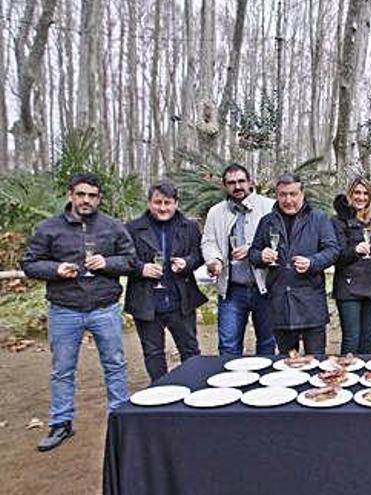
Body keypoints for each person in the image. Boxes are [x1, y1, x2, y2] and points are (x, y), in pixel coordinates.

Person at [21, 173, 136, 452]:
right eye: (81, 194)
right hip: (64, 309)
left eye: (92, 195)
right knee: (62, 370)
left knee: (115, 365)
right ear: (71, 194)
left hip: (104, 307)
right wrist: (56, 270)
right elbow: (29, 263)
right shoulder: (49, 228)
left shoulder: (112, 227)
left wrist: (107, 262)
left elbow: (131, 260)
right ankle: (61, 423)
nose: (86, 200)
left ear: (99, 198)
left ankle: (119, 419)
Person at [124, 182, 207, 383]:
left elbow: (199, 255)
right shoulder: (132, 228)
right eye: (157, 202)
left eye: (167, 203)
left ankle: (193, 387)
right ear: (149, 202)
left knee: (190, 349)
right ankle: (160, 391)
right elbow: (122, 259)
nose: (162, 208)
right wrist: (140, 268)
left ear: (176, 203)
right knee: (153, 352)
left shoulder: (190, 227)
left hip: (181, 300)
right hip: (146, 300)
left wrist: (187, 263)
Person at [249, 174, 340, 354]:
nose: (288, 200)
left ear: (302, 194)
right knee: (286, 365)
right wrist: (261, 256)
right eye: (282, 194)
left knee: (316, 361)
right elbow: (252, 253)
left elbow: (333, 250)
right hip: (280, 303)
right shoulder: (267, 221)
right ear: (276, 195)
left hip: (311, 303)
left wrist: (312, 262)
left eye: (293, 194)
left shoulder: (319, 218)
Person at [201, 164, 276, 355]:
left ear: (250, 182)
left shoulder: (269, 207)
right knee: (228, 346)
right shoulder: (215, 212)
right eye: (231, 183)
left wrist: (252, 250)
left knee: (267, 344)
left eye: (241, 181)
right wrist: (214, 260)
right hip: (232, 289)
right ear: (224, 186)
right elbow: (208, 242)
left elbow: (280, 242)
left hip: (265, 288)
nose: (237, 186)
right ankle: (229, 384)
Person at [331, 177, 371, 354]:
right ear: (349, 195)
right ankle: (345, 376)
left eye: (365, 194)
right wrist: (355, 250)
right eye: (357, 193)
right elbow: (335, 255)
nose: (361, 197)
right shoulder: (338, 221)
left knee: (368, 338)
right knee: (351, 338)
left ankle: (366, 376)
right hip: (348, 287)